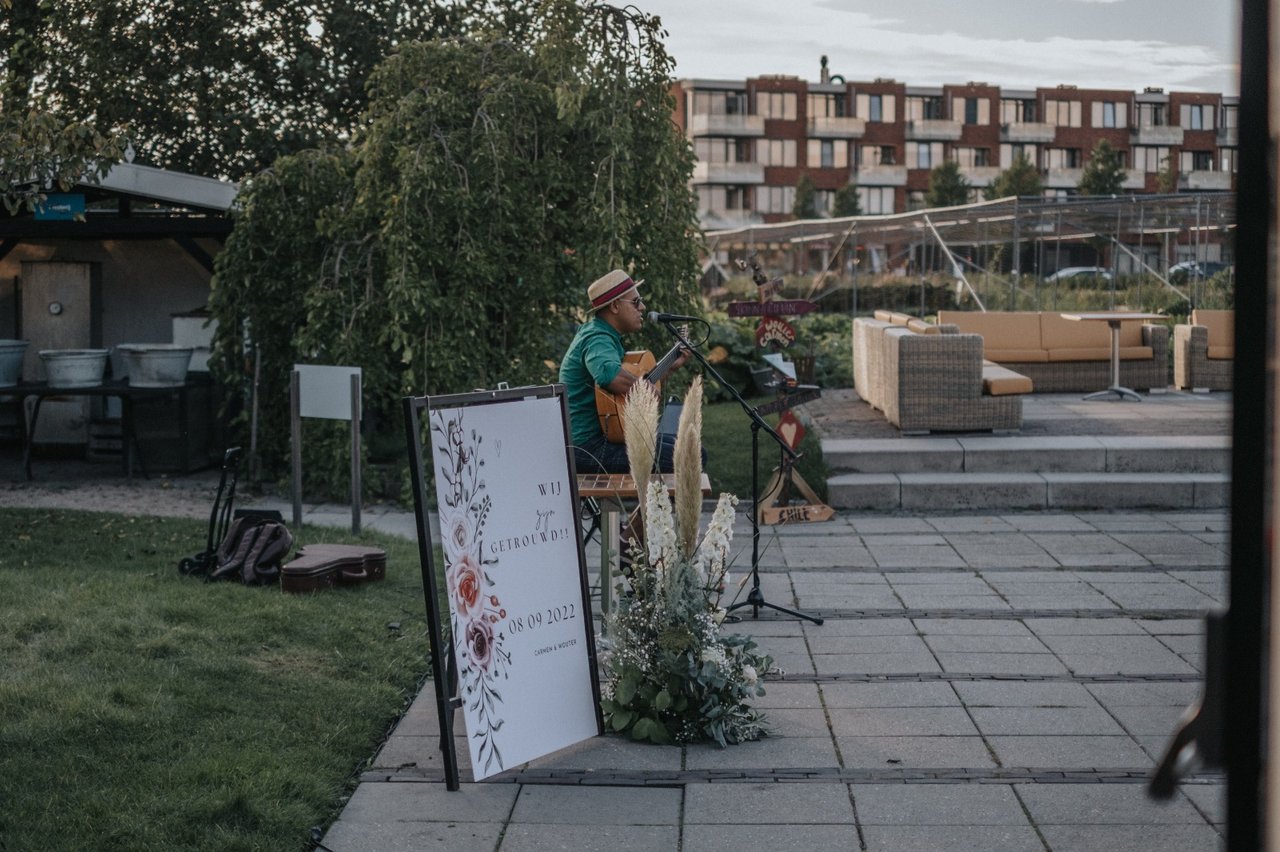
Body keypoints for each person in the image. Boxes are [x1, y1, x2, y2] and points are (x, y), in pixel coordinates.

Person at [560, 269, 696, 475]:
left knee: (686, 446)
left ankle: (652, 507)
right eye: (635, 302)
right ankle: (655, 507)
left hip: (602, 441)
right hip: (589, 448)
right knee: (690, 455)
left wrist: (669, 366)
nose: (642, 307)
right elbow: (609, 376)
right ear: (615, 306)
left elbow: (625, 389)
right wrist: (642, 389)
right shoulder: (597, 338)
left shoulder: (604, 335)